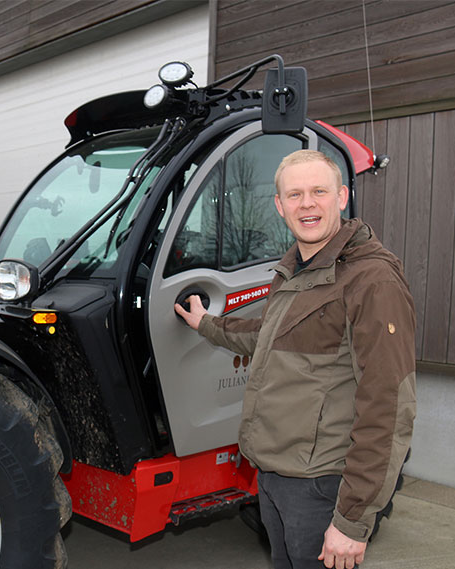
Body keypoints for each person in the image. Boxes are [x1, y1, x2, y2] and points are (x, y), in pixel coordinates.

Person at [175, 150, 415, 569]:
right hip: (274, 477)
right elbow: (265, 335)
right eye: (295, 194)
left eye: (318, 191)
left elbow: (389, 407)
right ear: (279, 205)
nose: (307, 204)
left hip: (321, 486)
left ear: (340, 197)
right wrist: (206, 324)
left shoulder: (371, 280)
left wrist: (352, 520)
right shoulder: (297, 271)